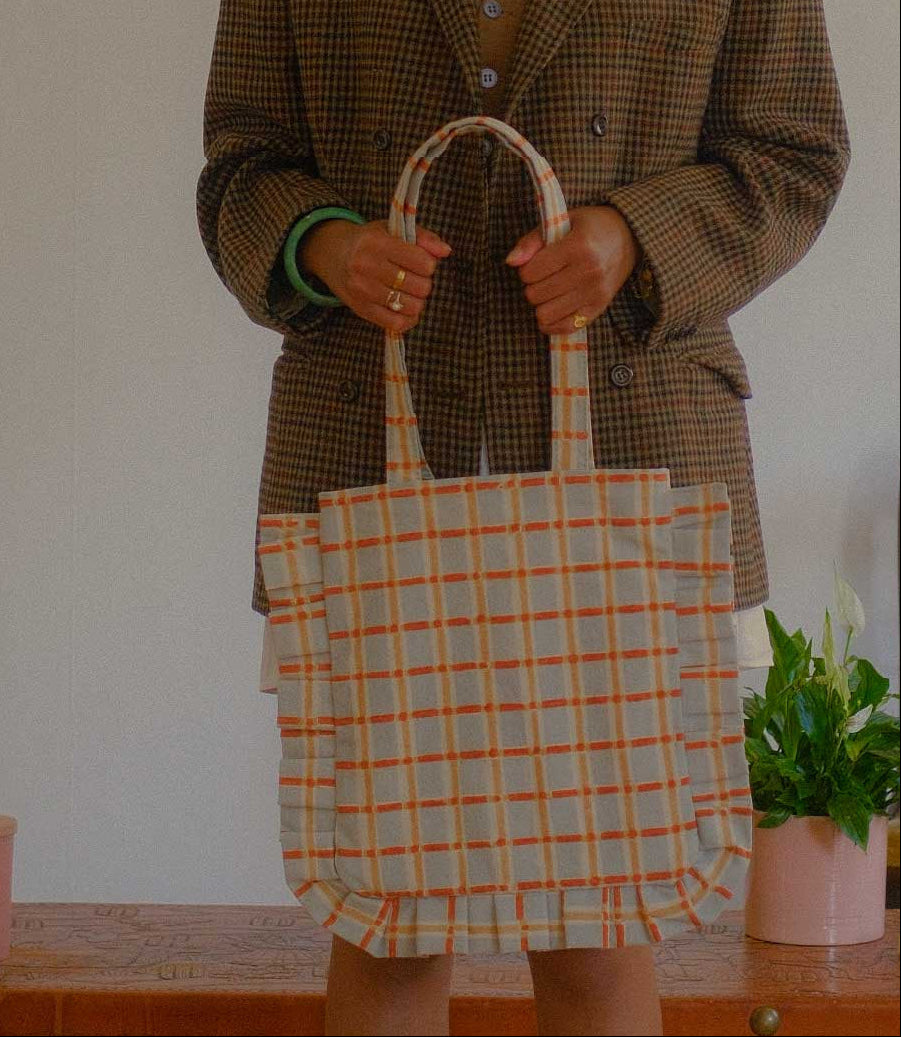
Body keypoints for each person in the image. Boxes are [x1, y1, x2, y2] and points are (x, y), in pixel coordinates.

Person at [196, 2, 849, 1034]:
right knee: (387, 912)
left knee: (602, 912)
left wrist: (632, 236)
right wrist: (326, 245)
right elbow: (241, 163)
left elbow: (792, 153)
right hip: (367, 451)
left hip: (635, 448)